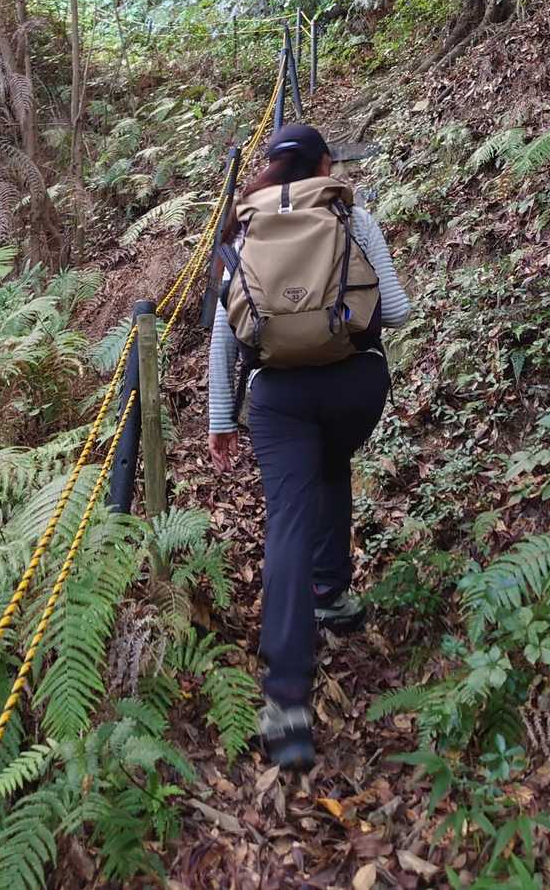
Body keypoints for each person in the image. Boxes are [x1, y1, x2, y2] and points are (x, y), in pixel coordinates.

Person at [207, 121, 410, 770]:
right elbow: (396, 310)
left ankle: (287, 704)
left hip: (278, 396)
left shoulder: (245, 228)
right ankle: (331, 593)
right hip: (356, 386)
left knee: (289, 518)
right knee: (332, 459)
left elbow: (226, 331)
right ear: (325, 164)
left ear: (270, 168)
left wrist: (221, 417)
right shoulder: (351, 217)